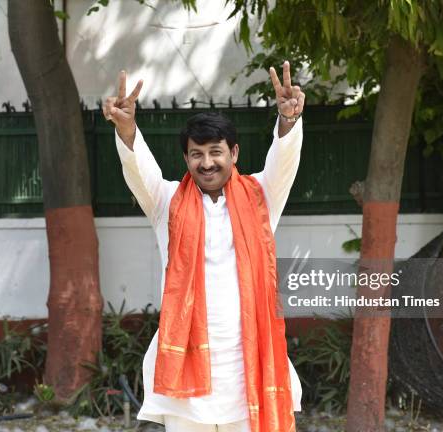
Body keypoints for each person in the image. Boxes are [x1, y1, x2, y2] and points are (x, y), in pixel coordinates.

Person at [103, 61, 305, 432]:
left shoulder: (262, 195)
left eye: (216, 152)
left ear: (234, 153)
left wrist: (288, 120)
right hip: (188, 374)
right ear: (186, 158)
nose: (207, 163)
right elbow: (139, 171)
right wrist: (127, 128)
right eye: (197, 154)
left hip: (249, 365)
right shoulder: (166, 201)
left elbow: (285, 163)